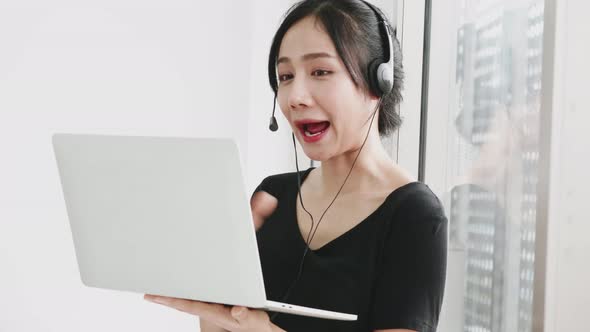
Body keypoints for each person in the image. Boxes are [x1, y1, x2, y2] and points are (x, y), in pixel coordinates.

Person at [144, 1, 448, 331]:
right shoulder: (273, 194)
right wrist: (218, 284)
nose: (294, 97)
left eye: (320, 71)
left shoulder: (414, 215)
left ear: (379, 81)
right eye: (285, 76)